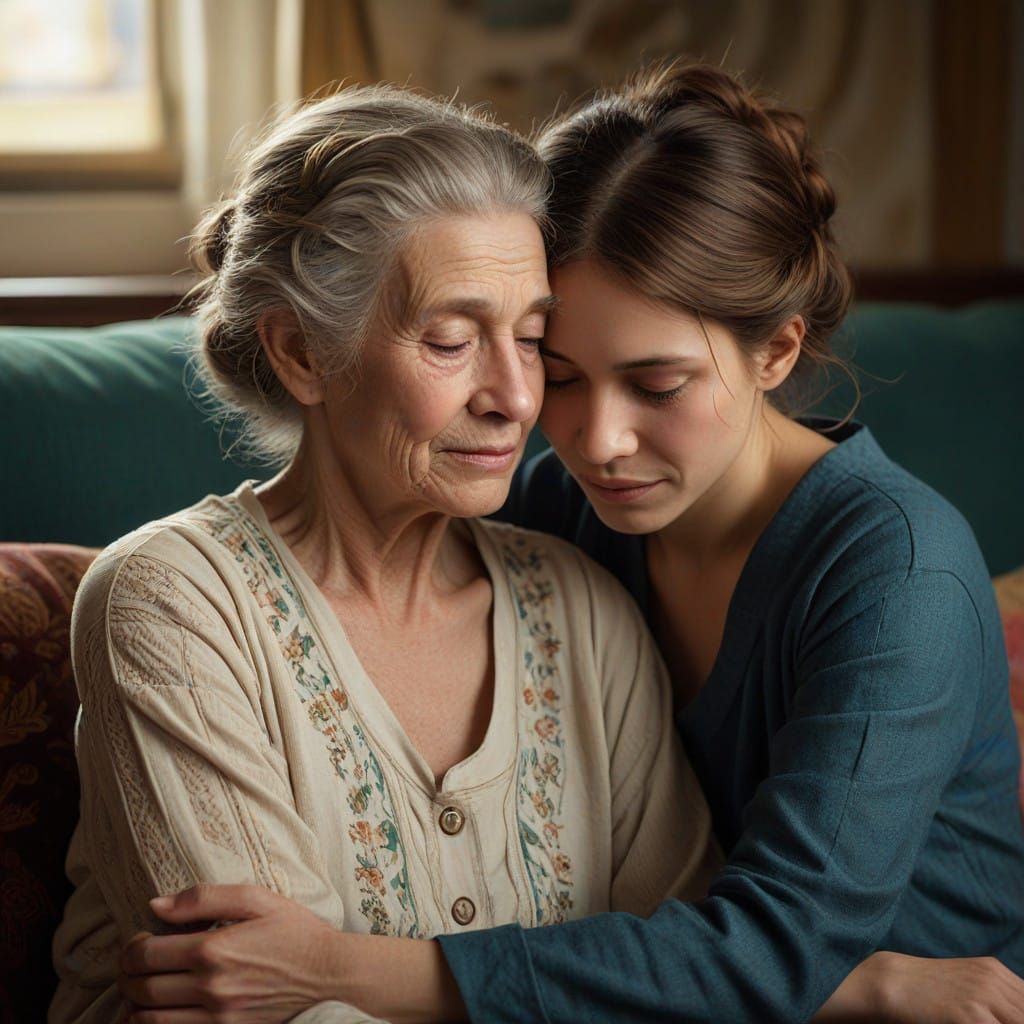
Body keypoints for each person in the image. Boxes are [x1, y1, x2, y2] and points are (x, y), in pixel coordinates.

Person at [101, 69, 1024, 1023]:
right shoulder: (561, 518)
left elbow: (770, 944)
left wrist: (339, 967)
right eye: (564, 369)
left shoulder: (894, 570)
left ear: (779, 352)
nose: (589, 439)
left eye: (656, 386)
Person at [49, 83, 722, 1023]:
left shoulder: (580, 604)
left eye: (532, 340)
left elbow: (686, 969)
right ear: (300, 354)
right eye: (451, 339)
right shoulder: (171, 601)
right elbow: (266, 1007)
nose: (516, 397)